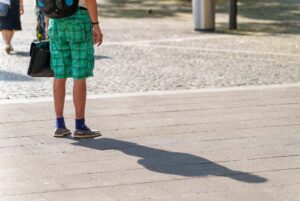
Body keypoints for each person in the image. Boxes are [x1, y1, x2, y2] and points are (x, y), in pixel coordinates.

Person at [47, 0, 103, 139]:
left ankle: (59, 125)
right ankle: (80, 126)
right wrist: (95, 24)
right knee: (79, 74)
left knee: (59, 74)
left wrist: (47, 24)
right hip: (78, 20)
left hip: (56, 21)